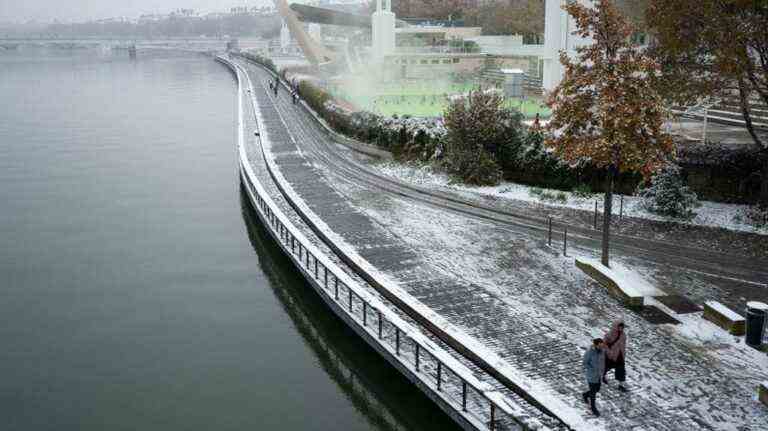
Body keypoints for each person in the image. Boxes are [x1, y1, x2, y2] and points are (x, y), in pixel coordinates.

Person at [582, 338, 605, 417]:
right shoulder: (589, 352)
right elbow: (585, 363)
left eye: (602, 345)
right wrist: (592, 369)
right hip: (591, 375)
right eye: (600, 345)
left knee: (597, 389)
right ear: (596, 345)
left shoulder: (601, 351)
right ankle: (593, 408)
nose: (601, 346)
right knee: (593, 392)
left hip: (598, 375)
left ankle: (585, 395)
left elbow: (602, 361)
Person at [603, 320, 628, 392]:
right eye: (620, 326)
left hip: (620, 356)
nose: (621, 328)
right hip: (610, 355)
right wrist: (609, 352)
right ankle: (602, 376)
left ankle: (621, 384)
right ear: (616, 326)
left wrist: (623, 354)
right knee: (606, 367)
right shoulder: (609, 334)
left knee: (621, 370)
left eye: (622, 327)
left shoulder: (623, 335)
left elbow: (623, 345)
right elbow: (604, 344)